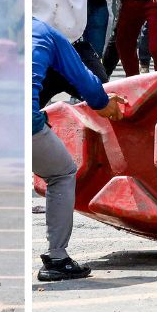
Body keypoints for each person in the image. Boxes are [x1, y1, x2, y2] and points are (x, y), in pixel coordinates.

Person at [31, 17, 125, 282]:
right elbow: (84, 81)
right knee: (62, 173)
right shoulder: (45, 32)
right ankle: (57, 259)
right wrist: (104, 101)